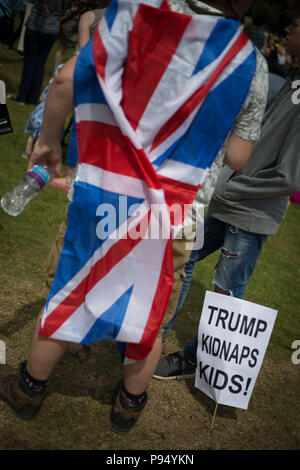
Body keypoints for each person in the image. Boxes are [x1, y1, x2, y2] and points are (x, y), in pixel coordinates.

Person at [0, 0, 266, 435]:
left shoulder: (137, 13)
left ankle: (28, 390)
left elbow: (68, 78)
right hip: (179, 210)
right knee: (151, 313)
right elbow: (237, 155)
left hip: (106, 190)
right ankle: (129, 405)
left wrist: (49, 138)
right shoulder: (248, 60)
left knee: (69, 289)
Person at [153, 0, 300, 381]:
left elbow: (290, 175)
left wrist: (233, 189)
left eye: (296, 24)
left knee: (225, 295)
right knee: (181, 258)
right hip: (228, 198)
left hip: (248, 211)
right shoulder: (294, 77)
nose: (288, 30)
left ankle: (196, 360)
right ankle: (148, 334)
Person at [51, 0, 109, 190]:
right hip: (118, 83)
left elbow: (83, 52)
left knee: (80, 126)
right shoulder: (135, 19)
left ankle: (70, 176)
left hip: (92, 77)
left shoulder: (91, 17)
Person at [9, 0, 68, 105]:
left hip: (36, 26)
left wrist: (43, 8)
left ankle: (22, 97)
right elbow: (64, 10)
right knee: (40, 65)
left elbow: (40, 3)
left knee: (29, 63)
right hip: (52, 29)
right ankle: (32, 99)